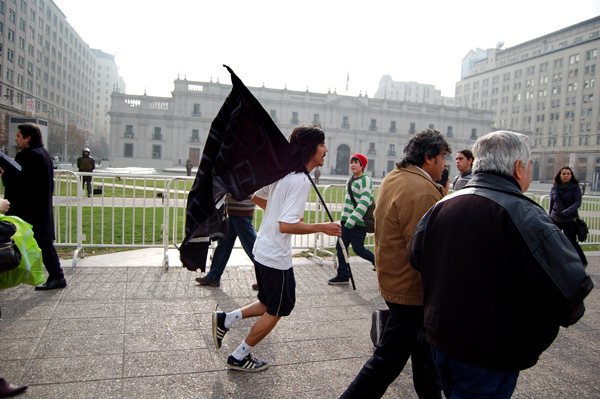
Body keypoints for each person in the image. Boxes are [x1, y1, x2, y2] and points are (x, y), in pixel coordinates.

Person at [410, 131, 593, 399]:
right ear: (519, 167)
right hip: (487, 353)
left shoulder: (443, 206)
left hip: (440, 338)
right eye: (529, 165)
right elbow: (572, 287)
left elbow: (416, 256)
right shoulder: (525, 214)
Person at [212, 125, 341, 372]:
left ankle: (226, 319)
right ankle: (239, 357)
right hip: (275, 255)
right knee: (280, 307)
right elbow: (285, 226)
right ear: (310, 148)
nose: (326, 149)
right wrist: (323, 226)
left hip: (263, 249)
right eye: (322, 144)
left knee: (267, 301)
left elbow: (257, 198)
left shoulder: (283, 174)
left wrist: (281, 213)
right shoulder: (301, 180)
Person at [340, 129, 451, 398]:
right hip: (411, 290)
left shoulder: (396, 176)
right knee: (385, 364)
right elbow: (426, 251)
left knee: (422, 361)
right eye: (442, 158)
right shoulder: (421, 191)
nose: (445, 164)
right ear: (428, 158)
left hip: (395, 281)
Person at [0, 123, 67, 290]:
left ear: (28, 138)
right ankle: (57, 276)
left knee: (40, 243)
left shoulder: (28, 155)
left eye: (18, 135)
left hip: (29, 209)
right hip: (40, 207)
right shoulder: (44, 154)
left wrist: (4, 173)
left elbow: (20, 182)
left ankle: (56, 276)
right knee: (44, 243)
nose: (16, 139)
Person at [328, 153, 375, 285]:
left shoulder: (366, 180)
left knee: (358, 249)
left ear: (362, 165)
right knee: (340, 247)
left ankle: (378, 262)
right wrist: (343, 220)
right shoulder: (350, 179)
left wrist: (351, 221)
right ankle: (343, 275)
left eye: (356, 162)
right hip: (346, 222)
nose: (353, 165)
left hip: (358, 223)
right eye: (351, 162)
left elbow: (364, 203)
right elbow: (348, 203)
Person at [195, 194, 258, 289]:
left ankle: (269, 279)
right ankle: (213, 276)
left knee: (253, 248)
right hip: (237, 211)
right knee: (224, 244)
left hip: (240, 211)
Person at [549, 166, 588, 266]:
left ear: (571, 175)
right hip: (556, 218)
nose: (566, 176)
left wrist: (567, 211)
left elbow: (577, 202)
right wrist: (549, 216)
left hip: (569, 219)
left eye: (568, 174)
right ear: (559, 175)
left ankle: (583, 262)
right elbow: (552, 202)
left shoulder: (575, 187)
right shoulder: (555, 187)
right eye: (564, 174)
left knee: (571, 242)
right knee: (553, 241)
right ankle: (556, 263)